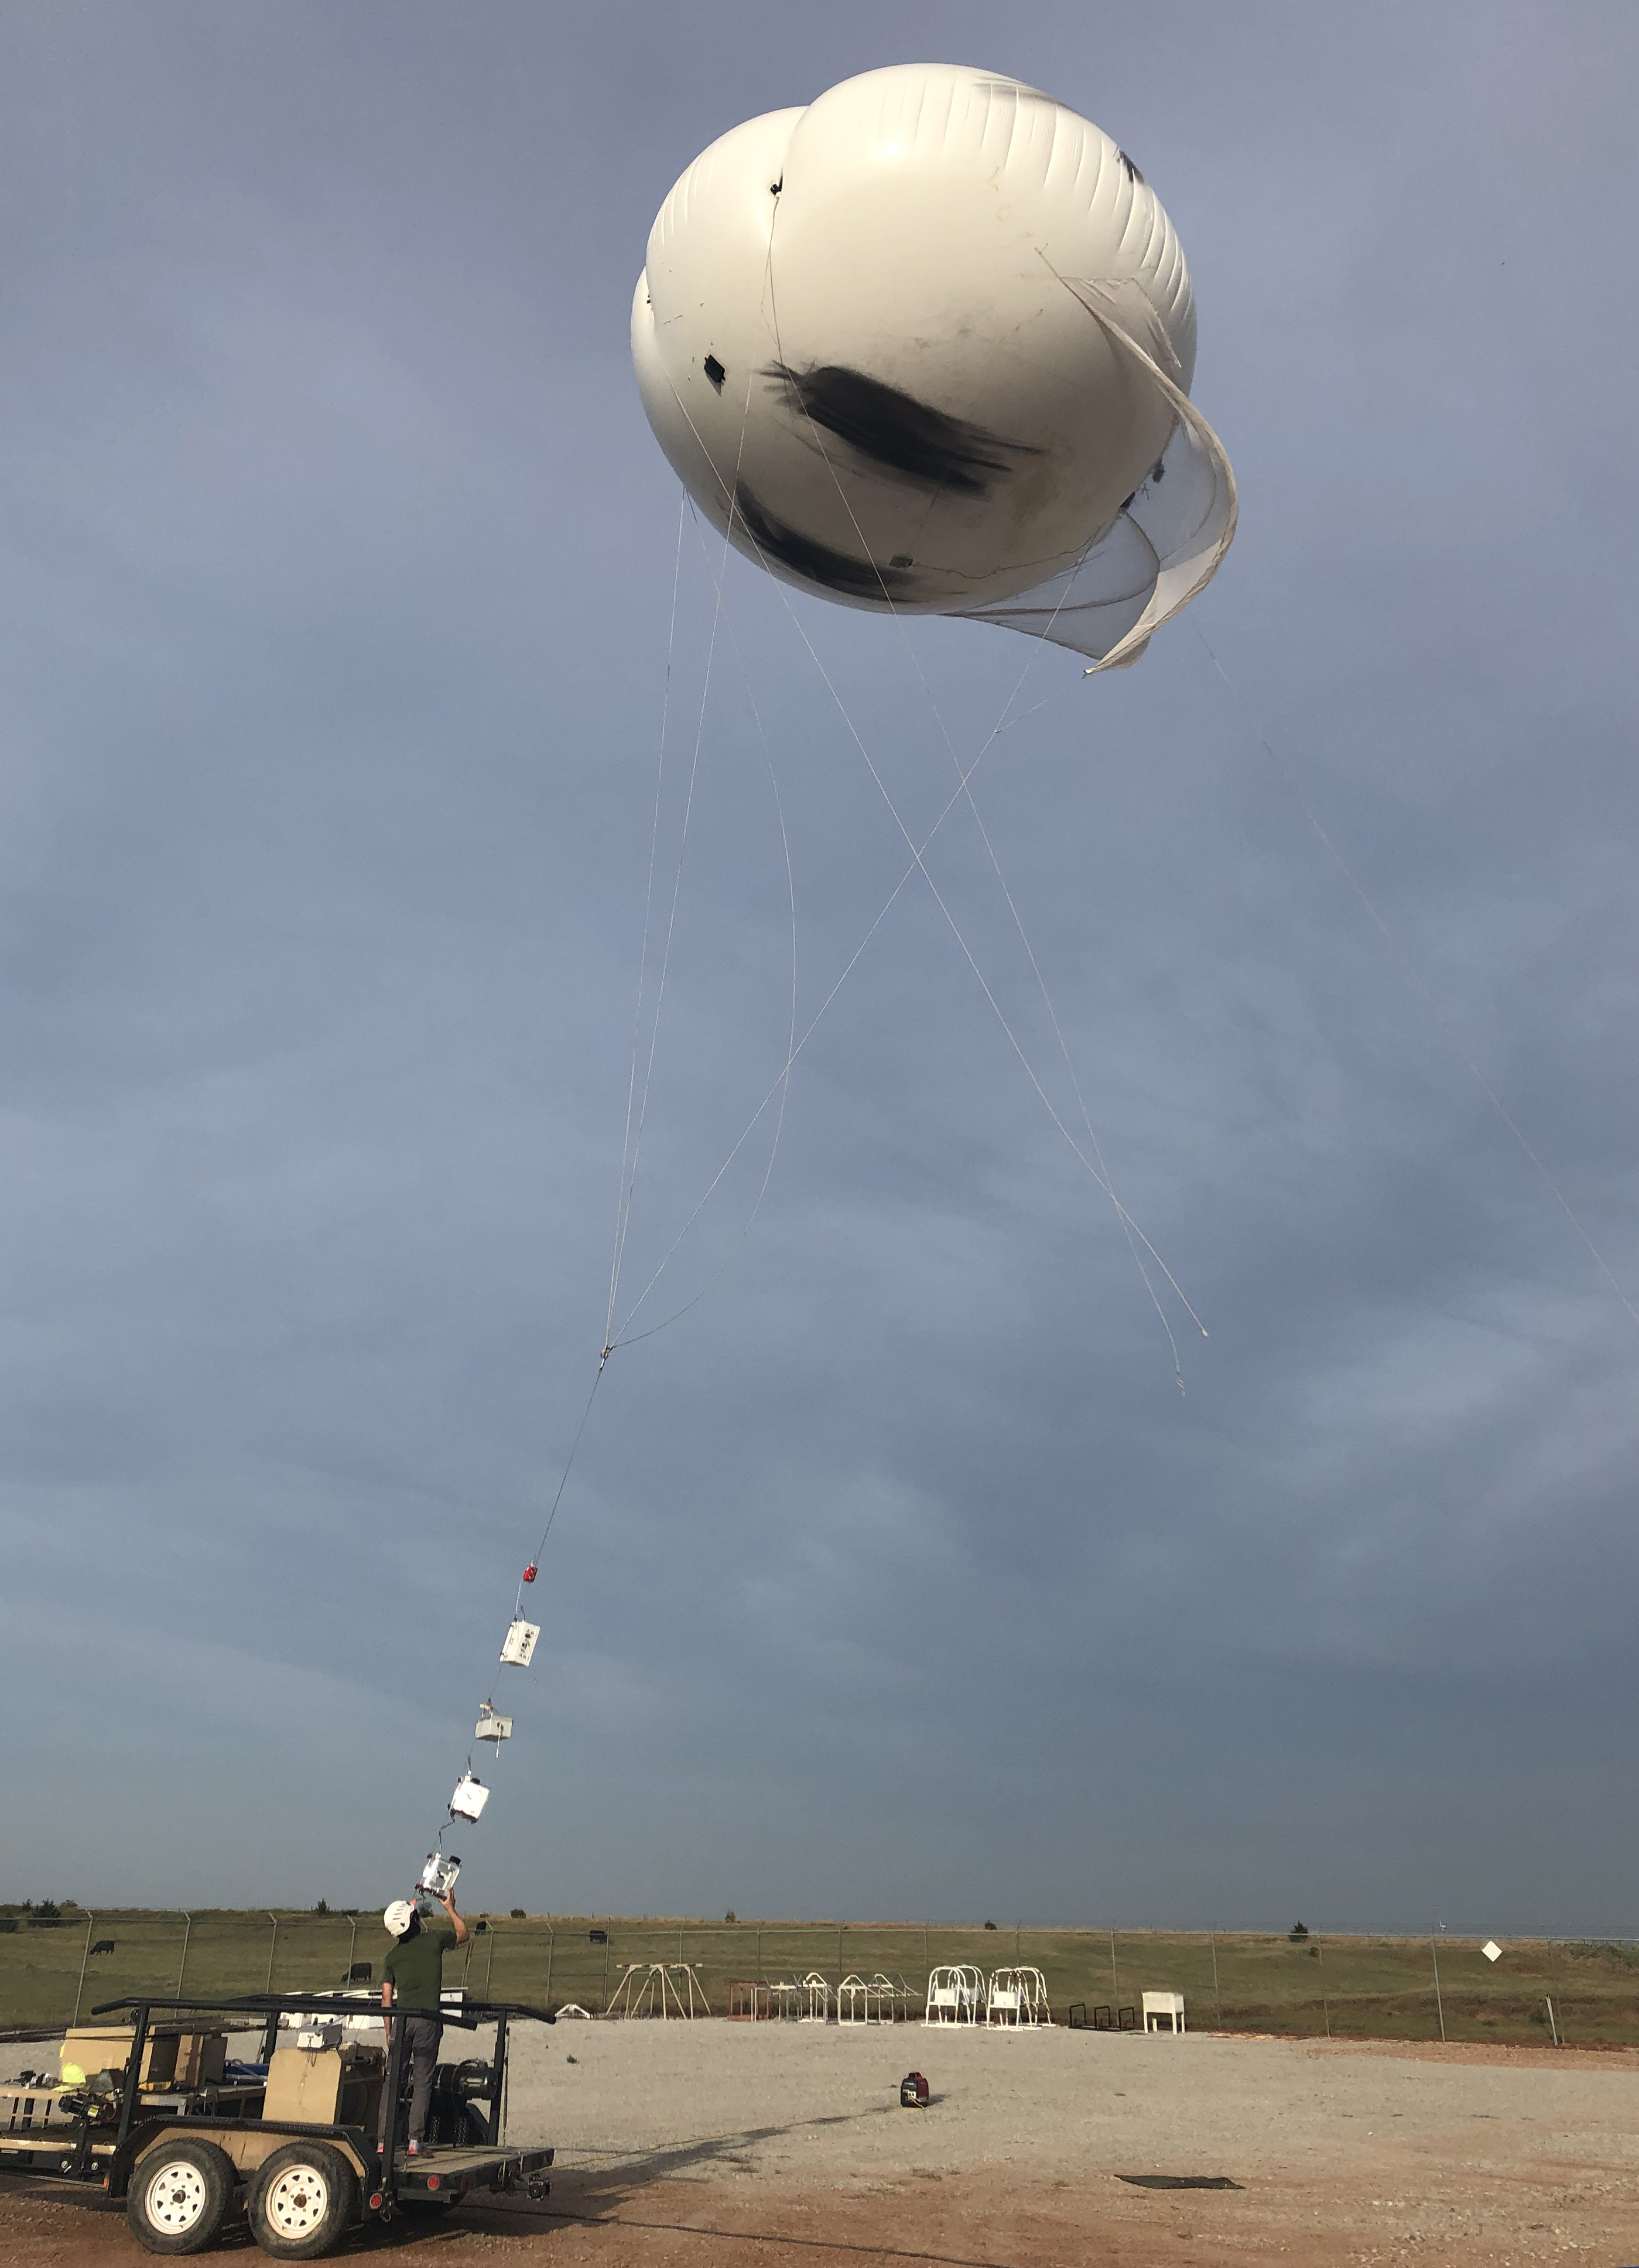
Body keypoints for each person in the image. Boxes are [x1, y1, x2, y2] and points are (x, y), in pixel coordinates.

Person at [379, 1889, 468, 2153]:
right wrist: (451, 1908)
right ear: (414, 1920)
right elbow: (464, 1935)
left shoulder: (392, 1957)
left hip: (401, 2021)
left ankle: (384, 2141)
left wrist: (389, 2031)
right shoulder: (433, 1941)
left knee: (392, 2081)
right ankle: (415, 2140)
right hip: (427, 2021)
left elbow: (386, 1998)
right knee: (422, 2081)